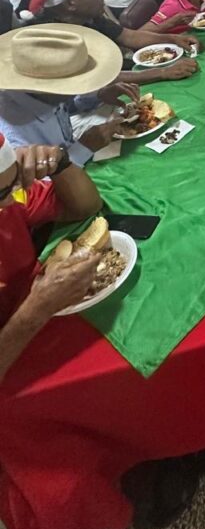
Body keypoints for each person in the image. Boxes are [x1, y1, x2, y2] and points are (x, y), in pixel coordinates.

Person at [0, 130, 104, 382]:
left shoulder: (10, 197)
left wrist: (59, 163)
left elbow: (84, 206)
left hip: (49, 324)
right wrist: (38, 308)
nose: (11, 201)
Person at [26, 0, 199, 83]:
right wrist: (162, 73)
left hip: (117, 73)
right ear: (71, 3)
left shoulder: (89, 18)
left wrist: (173, 38)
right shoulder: (53, 39)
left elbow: (130, 36)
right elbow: (95, 77)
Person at [0, 24, 134, 164]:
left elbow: (65, 107)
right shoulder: (11, 137)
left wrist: (99, 96)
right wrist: (84, 147)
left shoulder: (45, 96)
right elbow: (38, 184)